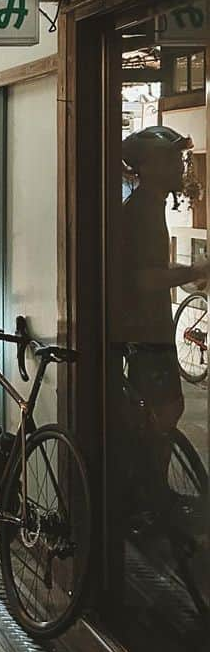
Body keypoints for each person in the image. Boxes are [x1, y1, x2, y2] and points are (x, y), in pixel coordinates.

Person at [118, 126, 208, 517]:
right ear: (147, 166)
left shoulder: (148, 205)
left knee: (160, 413)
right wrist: (195, 269)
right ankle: (149, 499)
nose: (178, 166)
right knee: (162, 412)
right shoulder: (140, 210)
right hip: (143, 329)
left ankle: (150, 494)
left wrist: (183, 271)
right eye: (170, 159)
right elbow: (144, 277)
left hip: (148, 327)